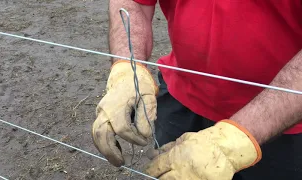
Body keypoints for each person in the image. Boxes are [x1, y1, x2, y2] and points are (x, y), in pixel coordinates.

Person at [91, 0, 302, 179]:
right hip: (181, 99)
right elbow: (132, 3)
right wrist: (127, 67)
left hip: (283, 122)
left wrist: (231, 145)